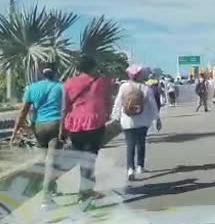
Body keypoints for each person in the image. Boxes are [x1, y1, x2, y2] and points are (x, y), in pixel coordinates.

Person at [61, 55, 113, 203]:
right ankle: (85, 191)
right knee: (90, 157)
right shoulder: (102, 82)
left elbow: (65, 107)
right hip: (94, 123)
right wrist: (106, 114)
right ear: (92, 67)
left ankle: (85, 189)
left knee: (81, 156)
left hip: (74, 124)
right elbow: (107, 101)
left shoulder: (69, 83)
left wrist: (62, 128)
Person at [12, 62, 63, 209]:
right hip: (55, 125)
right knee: (53, 161)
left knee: (43, 159)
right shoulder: (60, 87)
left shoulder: (31, 88)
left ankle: (48, 188)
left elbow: (23, 111)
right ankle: (46, 198)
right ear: (54, 73)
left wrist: (15, 130)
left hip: (38, 127)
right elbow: (66, 108)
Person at [112, 64, 161, 181]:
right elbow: (153, 105)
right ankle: (140, 166)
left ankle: (130, 169)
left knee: (130, 145)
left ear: (129, 75)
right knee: (141, 143)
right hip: (142, 121)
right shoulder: (145, 88)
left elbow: (118, 103)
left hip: (127, 121)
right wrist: (157, 118)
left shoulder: (123, 87)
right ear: (139, 75)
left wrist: (115, 117)